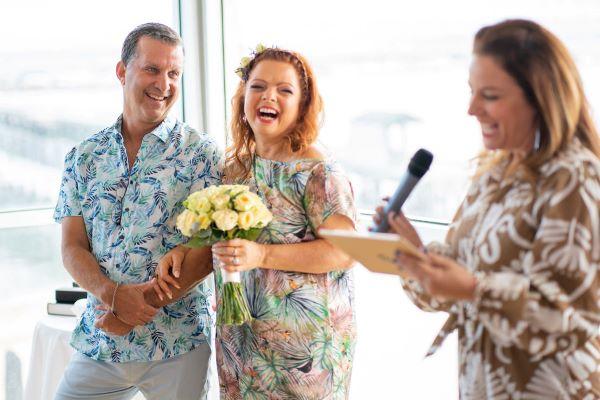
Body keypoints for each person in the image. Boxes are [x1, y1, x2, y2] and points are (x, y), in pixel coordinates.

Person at [375, 19, 600, 398]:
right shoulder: (492, 173)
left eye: (490, 96)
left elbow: (572, 319)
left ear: (540, 98)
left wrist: (475, 290)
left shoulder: (573, 178)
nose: (471, 109)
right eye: (472, 92)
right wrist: (411, 251)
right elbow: (452, 287)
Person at [158, 45, 357, 399]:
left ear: (302, 104)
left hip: (303, 355)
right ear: (244, 96)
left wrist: (261, 256)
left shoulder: (317, 170)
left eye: (285, 90)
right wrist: (186, 248)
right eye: (259, 87)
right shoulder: (236, 168)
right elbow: (224, 236)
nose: (270, 97)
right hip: (241, 345)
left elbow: (344, 252)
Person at [53, 23, 221, 400]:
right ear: (122, 71)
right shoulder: (83, 157)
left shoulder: (203, 155)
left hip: (178, 345)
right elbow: (72, 247)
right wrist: (112, 295)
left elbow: (209, 251)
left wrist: (136, 307)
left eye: (174, 73)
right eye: (152, 69)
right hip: (101, 341)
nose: (164, 83)